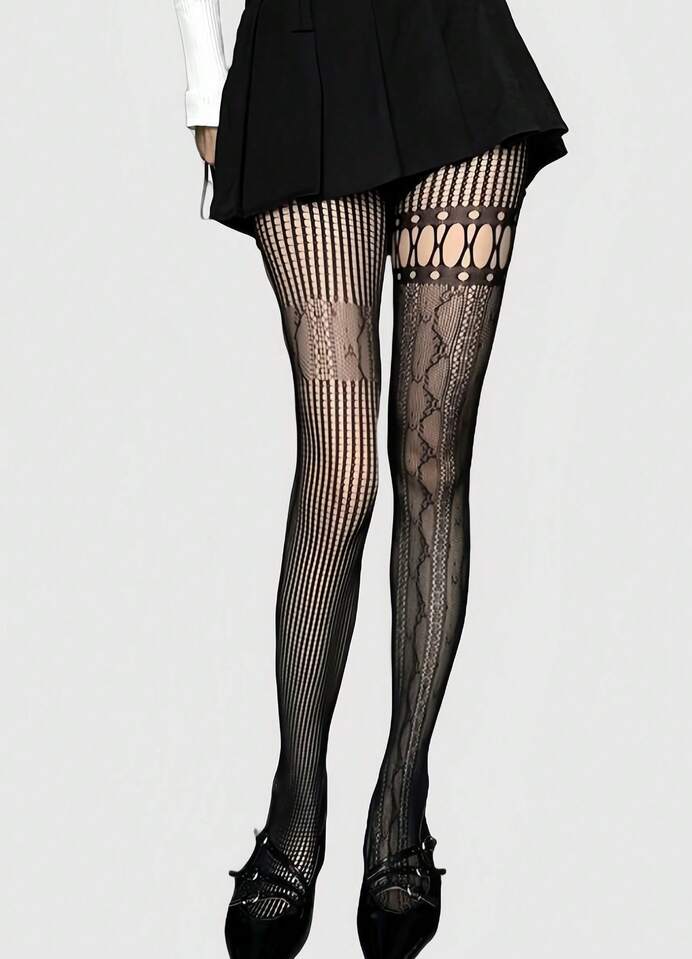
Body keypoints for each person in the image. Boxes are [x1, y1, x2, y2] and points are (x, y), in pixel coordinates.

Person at [173, 2, 568, 957]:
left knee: (434, 461)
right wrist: (203, 77)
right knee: (341, 473)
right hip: (301, 51)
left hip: (451, 42)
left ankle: (399, 805)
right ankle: (296, 805)